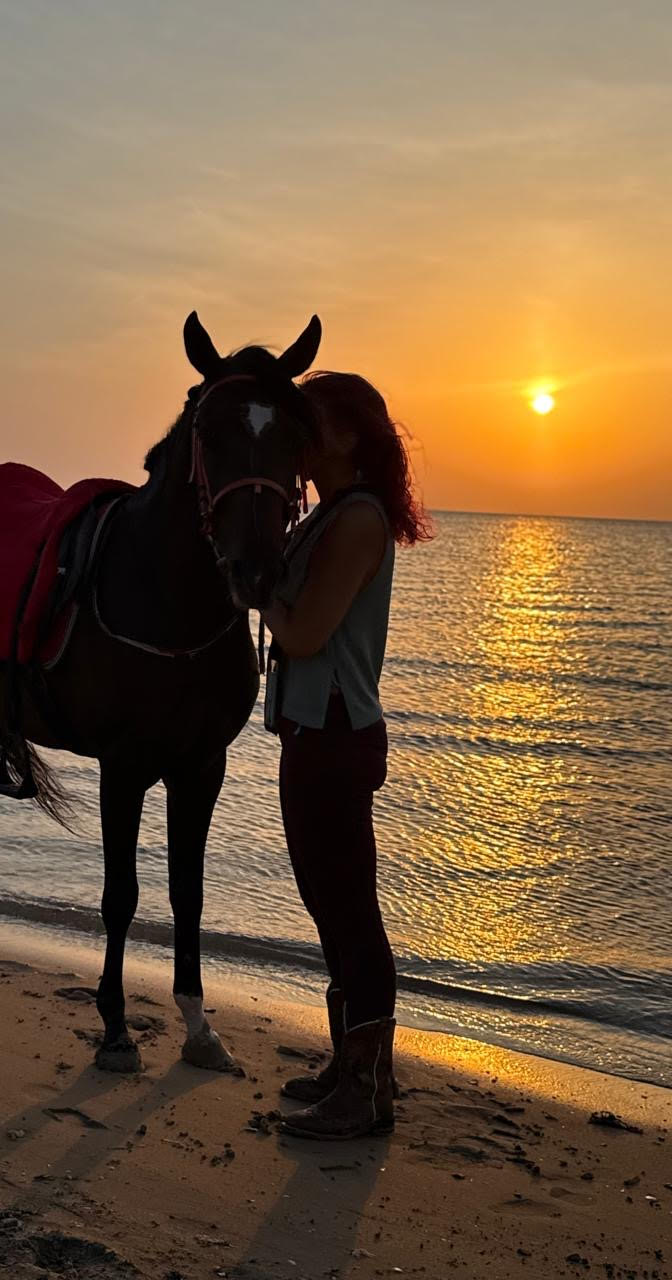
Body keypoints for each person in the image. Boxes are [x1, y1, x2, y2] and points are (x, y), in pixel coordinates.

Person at [261, 371, 431, 1140]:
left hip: (336, 734)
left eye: (313, 421)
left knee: (352, 913)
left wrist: (252, 588)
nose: (299, 435)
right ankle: (354, 1072)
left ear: (351, 436)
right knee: (329, 905)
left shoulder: (357, 519)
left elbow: (303, 634)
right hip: (312, 731)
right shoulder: (327, 513)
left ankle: (364, 1091)